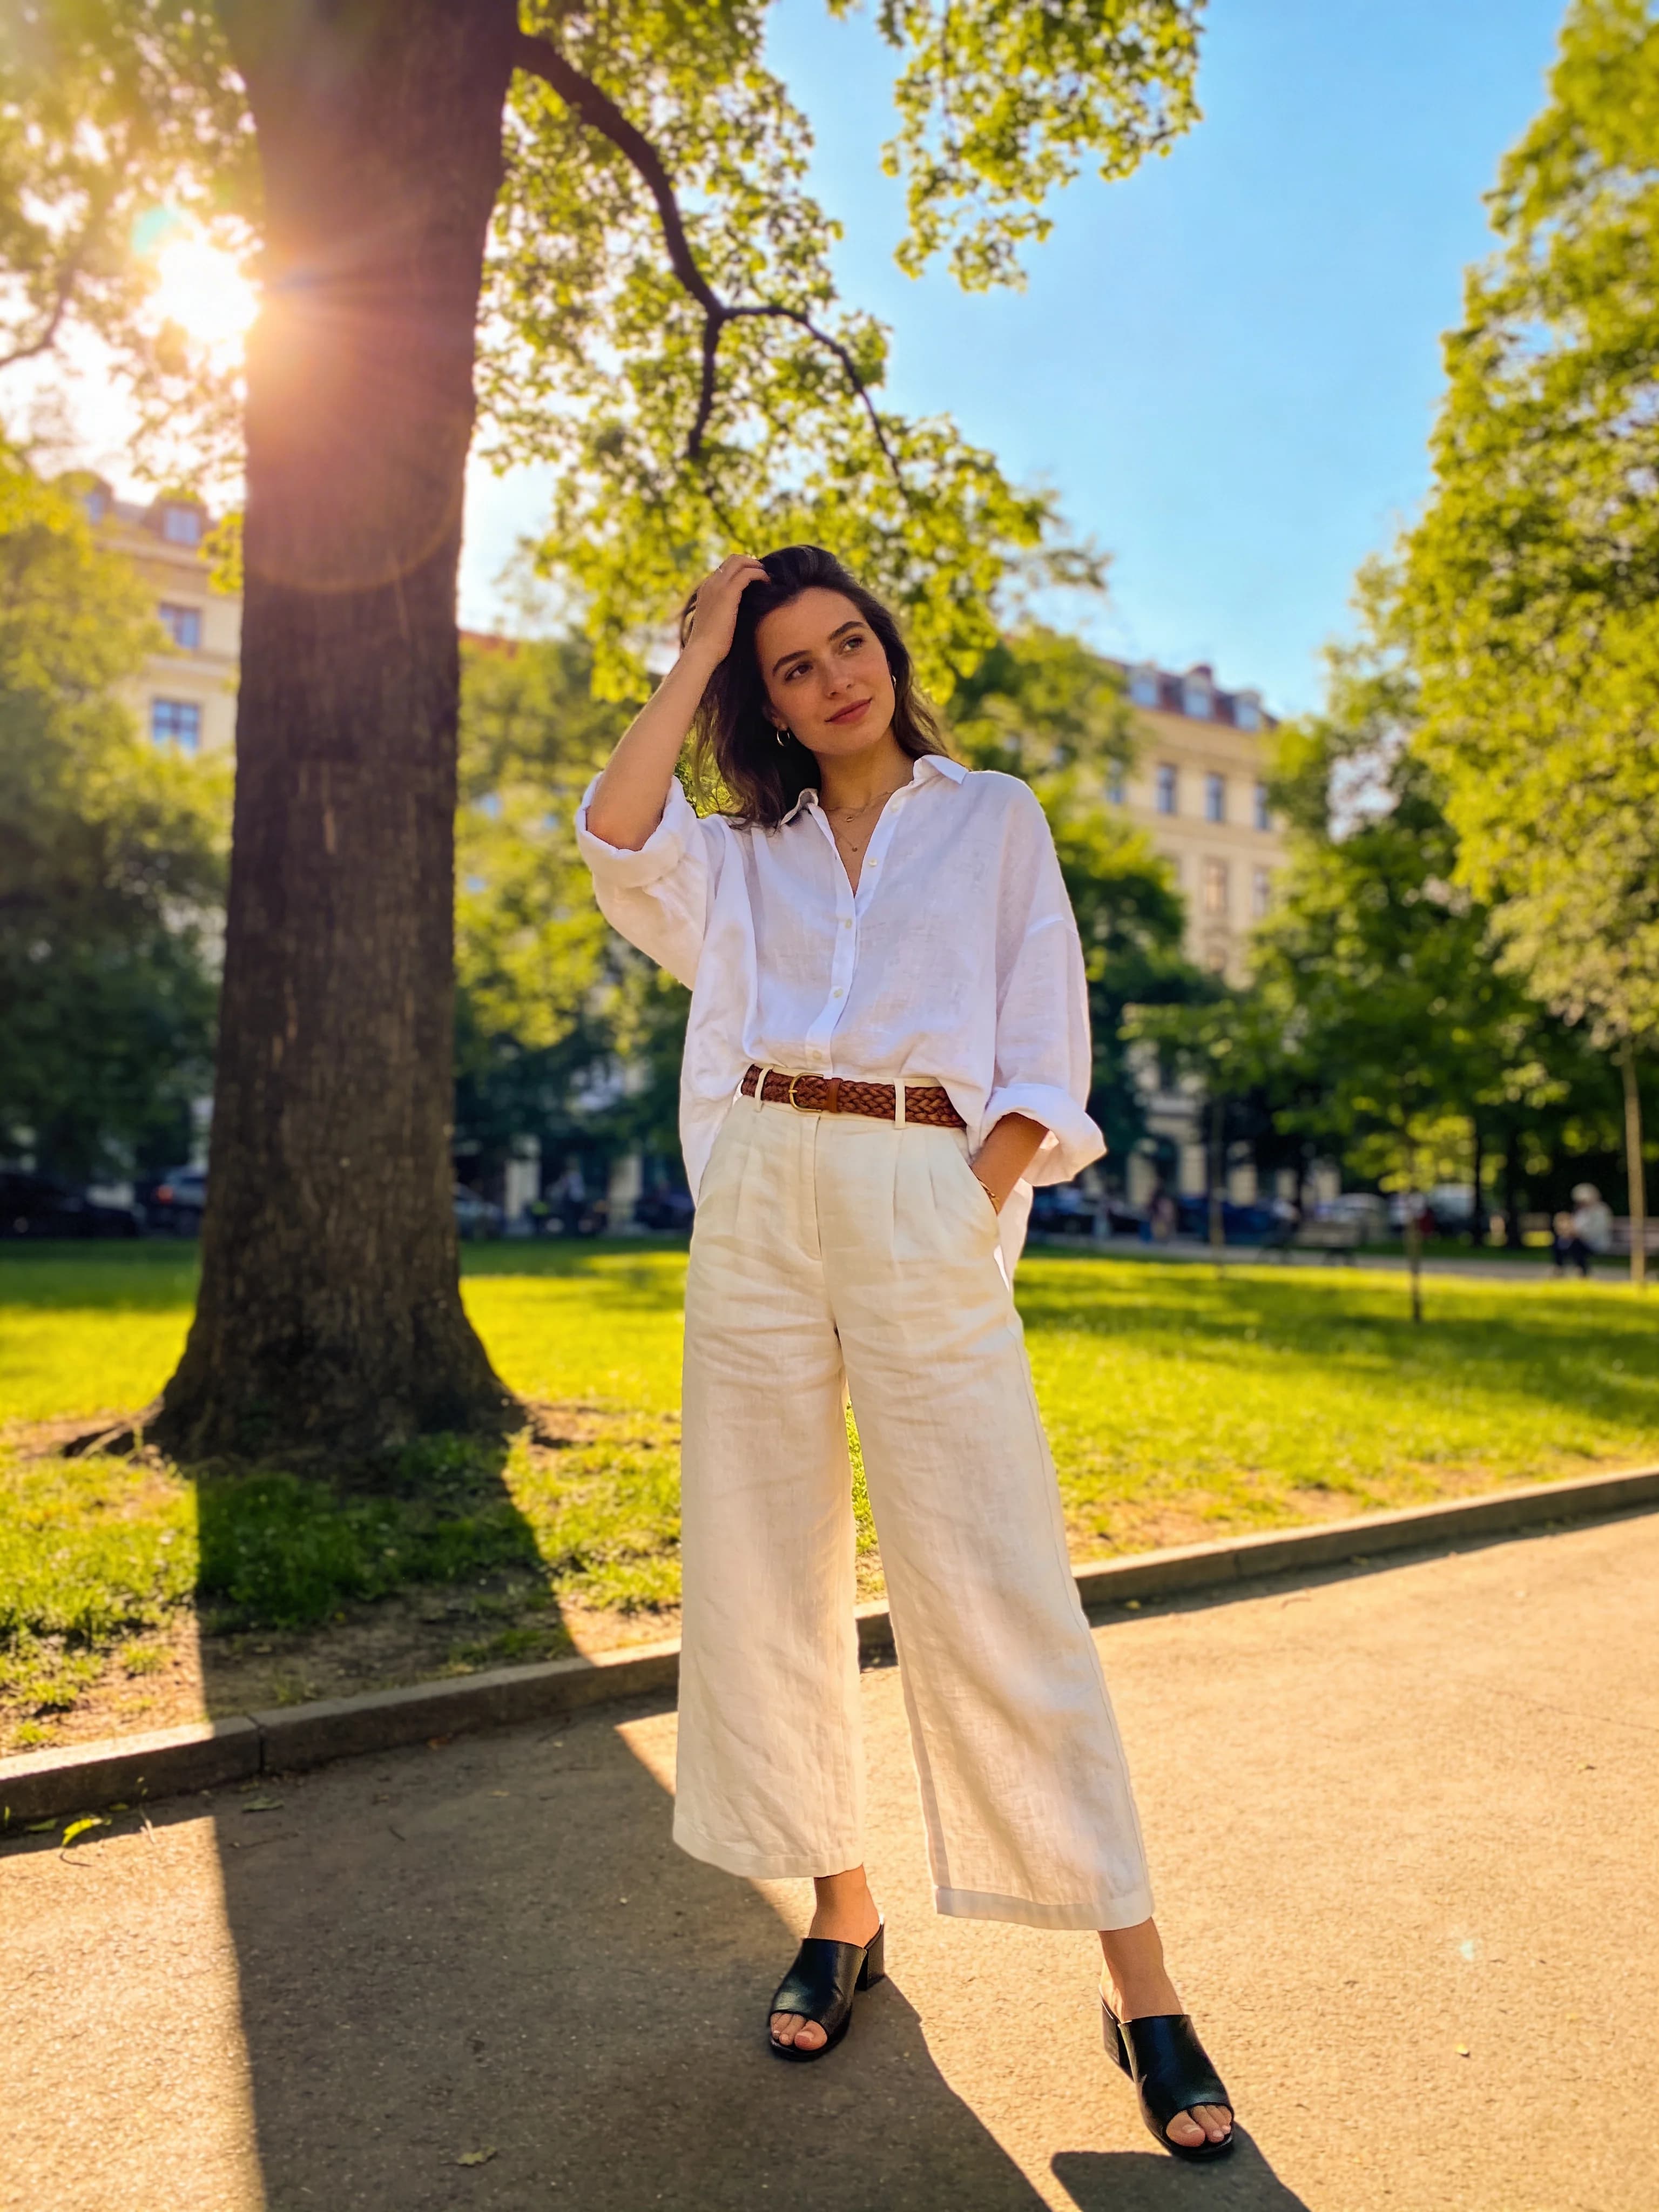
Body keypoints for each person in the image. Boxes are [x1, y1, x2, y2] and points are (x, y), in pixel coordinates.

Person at [576, 545, 1235, 2162]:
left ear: (889, 650)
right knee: (761, 1567)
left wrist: (971, 1194)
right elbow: (613, 835)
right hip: (763, 1187)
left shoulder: (993, 817)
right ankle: (841, 1906)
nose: (831, 680)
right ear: (768, 702)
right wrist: (697, 643)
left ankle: (1139, 1981)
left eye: (846, 644)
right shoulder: (739, 858)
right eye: (788, 665)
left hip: (925, 1182)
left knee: (997, 1572)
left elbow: (1044, 1048)